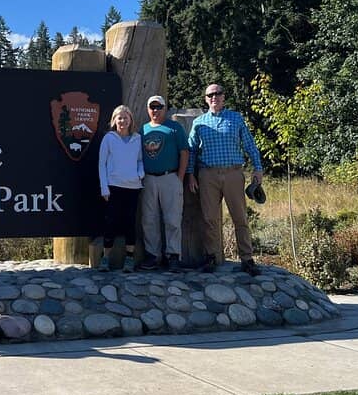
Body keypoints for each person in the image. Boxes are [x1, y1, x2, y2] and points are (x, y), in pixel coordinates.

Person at [186, 84, 264, 276]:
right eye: (210, 95)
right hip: (208, 175)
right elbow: (192, 150)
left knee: (240, 218)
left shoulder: (236, 118)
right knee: (209, 219)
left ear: (223, 97)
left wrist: (258, 168)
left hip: (233, 174)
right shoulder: (199, 122)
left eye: (218, 94)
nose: (214, 97)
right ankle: (211, 257)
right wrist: (190, 174)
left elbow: (249, 144)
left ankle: (247, 259)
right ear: (205, 99)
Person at [139, 95, 189, 271]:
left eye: (159, 107)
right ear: (148, 109)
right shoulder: (142, 130)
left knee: (172, 218)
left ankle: (173, 255)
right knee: (149, 219)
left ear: (164, 108)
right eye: (152, 107)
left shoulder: (174, 127)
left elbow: (184, 152)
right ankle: (153, 255)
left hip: (170, 177)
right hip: (148, 178)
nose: (155, 110)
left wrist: (180, 177)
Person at [98, 104, 144, 273]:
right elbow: (101, 164)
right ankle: (105, 258)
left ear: (130, 120)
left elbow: (140, 160)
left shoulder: (137, 138)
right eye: (120, 118)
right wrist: (104, 187)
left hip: (133, 187)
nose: (123, 121)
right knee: (110, 221)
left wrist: (139, 173)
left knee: (130, 222)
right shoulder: (109, 138)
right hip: (113, 187)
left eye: (126, 117)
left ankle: (130, 258)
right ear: (114, 120)